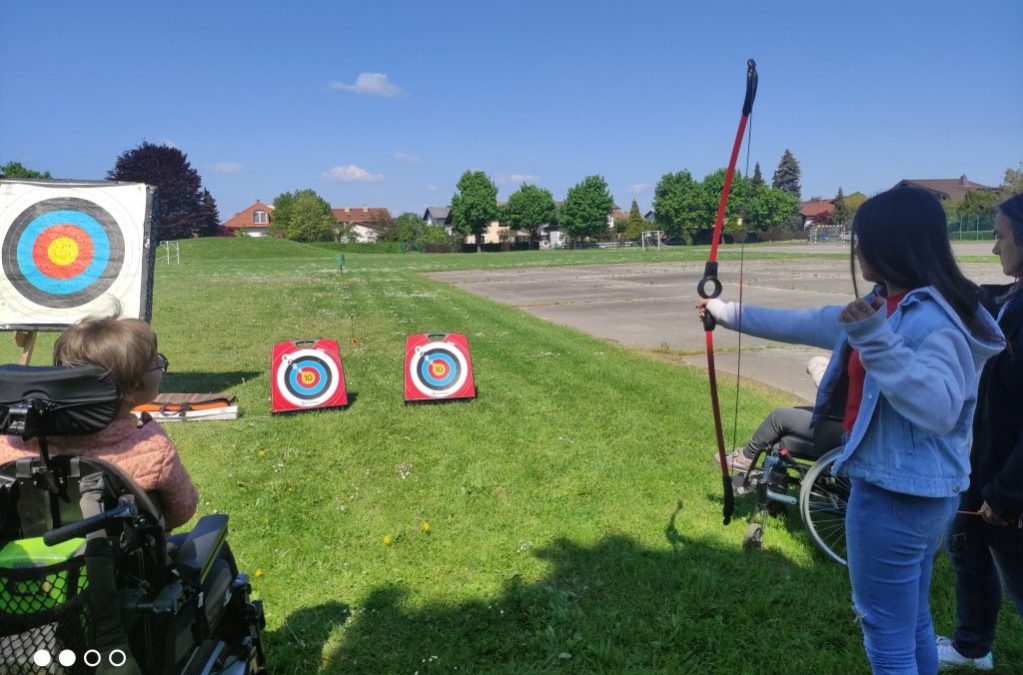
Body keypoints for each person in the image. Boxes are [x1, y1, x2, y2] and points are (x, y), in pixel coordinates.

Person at [698, 185, 1004, 674]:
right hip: (920, 494)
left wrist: (876, 341)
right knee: (912, 623)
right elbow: (805, 323)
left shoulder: (926, 320)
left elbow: (940, 406)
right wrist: (723, 313)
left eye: (861, 240)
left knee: (886, 638)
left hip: (895, 497)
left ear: (891, 246)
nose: (855, 249)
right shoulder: (891, 305)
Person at [0, 316, 198, 531]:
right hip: (124, 561)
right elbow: (182, 510)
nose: (161, 365)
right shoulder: (152, 446)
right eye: (155, 364)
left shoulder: (9, 444)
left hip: (29, 562)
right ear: (131, 390)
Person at [937, 193, 1023, 671]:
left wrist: (1008, 495)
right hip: (981, 468)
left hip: (1010, 486)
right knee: (966, 549)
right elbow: (974, 295)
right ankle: (973, 648)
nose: (995, 249)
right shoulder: (1011, 297)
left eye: (1000, 236)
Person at [714, 354, 838, 473]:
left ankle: (746, 456)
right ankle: (773, 477)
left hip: (838, 427)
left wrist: (817, 364)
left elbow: (829, 386)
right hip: (845, 426)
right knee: (781, 440)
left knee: (778, 417)